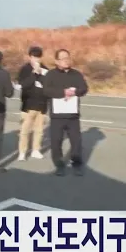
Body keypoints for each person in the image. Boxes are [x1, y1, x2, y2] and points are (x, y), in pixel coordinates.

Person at [43, 49, 88, 177]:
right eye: (63, 58)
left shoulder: (76, 74)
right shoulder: (51, 75)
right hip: (57, 115)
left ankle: (77, 164)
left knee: (76, 141)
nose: (66, 61)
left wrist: (75, 92)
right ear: (56, 61)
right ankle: (59, 165)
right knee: (56, 141)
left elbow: (84, 89)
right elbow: (46, 91)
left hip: (73, 115)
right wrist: (63, 92)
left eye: (67, 58)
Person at [16, 46, 49, 161]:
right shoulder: (25, 69)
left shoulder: (45, 69)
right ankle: (22, 152)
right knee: (25, 130)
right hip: (28, 104)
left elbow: (48, 85)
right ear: (30, 57)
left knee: (39, 130)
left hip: (42, 104)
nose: (36, 60)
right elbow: (23, 84)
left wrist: (41, 74)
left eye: (38, 57)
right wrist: (34, 74)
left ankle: (36, 150)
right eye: (34, 57)